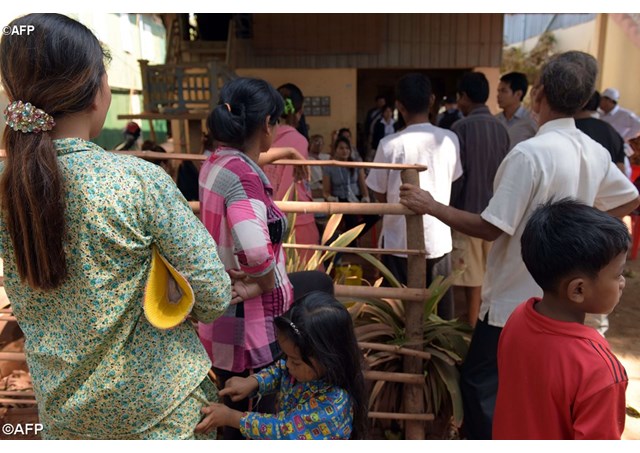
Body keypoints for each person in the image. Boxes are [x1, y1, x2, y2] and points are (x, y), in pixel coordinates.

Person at [0, 13, 231, 439]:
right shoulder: (137, 181)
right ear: (96, 92)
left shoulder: (7, 190)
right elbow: (213, 295)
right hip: (164, 416)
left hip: (66, 422)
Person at [398, 51, 640, 439]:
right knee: (542, 388)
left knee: (481, 384)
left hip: (515, 299)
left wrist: (432, 206)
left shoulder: (529, 154)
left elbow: (490, 227)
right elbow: (629, 198)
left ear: (538, 94)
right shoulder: (592, 150)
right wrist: (581, 232)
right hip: (567, 299)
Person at [198, 77, 333, 440]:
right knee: (249, 418)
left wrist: (286, 153)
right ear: (267, 125)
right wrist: (263, 281)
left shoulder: (216, 162)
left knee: (319, 284)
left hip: (223, 319)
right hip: (249, 328)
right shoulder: (244, 179)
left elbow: (250, 161)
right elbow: (257, 253)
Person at [494, 199, 629, 439]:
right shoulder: (598, 369)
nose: (622, 283)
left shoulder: (519, 318)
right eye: (618, 274)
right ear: (578, 290)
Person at [195, 291, 368, 439]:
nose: (288, 365)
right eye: (287, 357)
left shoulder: (333, 405)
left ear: (328, 359)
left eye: (295, 361)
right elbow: (281, 370)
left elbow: (284, 429)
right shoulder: (306, 368)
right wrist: (253, 382)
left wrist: (231, 417)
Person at [366, 72, 462, 321]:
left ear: (399, 105)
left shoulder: (389, 144)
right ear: (431, 100)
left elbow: (378, 191)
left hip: (398, 240)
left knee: (397, 315)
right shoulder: (450, 139)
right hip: (438, 237)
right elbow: (453, 180)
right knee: (438, 315)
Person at [449, 72, 510, 328]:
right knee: (489, 271)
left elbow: (456, 177)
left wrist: (448, 209)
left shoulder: (459, 129)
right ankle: (484, 321)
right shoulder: (501, 129)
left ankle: (473, 325)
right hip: (497, 215)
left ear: (464, 97)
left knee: (470, 275)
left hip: (468, 213)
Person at [262, 82, 320, 266]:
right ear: (299, 112)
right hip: (295, 218)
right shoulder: (298, 140)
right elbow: (289, 186)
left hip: (263, 216)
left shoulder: (260, 137)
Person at [323, 136, 378, 250]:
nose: (345, 151)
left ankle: (347, 237)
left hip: (356, 197)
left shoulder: (355, 164)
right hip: (340, 199)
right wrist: (330, 198)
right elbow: (326, 191)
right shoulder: (329, 166)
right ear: (335, 150)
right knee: (351, 218)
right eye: (341, 148)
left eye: (347, 148)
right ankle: (351, 242)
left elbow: (362, 185)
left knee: (374, 216)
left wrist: (365, 197)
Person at [599, 87, 640, 178]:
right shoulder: (600, 114)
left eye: (602, 99)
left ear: (609, 101)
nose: (599, 102)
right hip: (603, 147)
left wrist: (624, 138)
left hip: (617, 148)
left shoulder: (624, 114)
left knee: (621, 172)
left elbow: (638, 126)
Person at [495, 71, 538, 149]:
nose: (498, 95)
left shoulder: (530, 120)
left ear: (518, 94)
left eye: (504, 91)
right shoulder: (495, 121)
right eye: (498, 91)